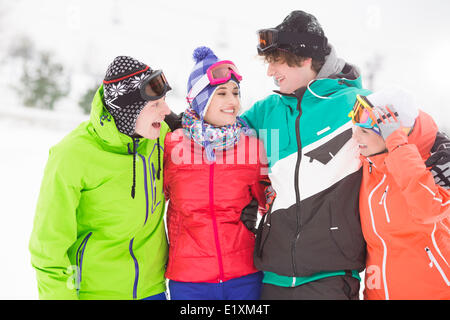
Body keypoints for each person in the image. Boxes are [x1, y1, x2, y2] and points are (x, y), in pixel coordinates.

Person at [240, 10, 370, 300]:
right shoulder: (266, 110)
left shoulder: (354, 105)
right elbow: (217, 133)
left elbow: (413, 133)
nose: (270, 72)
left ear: (306, 58)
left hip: (330, 276)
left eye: (276, 62)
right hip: (272, 274)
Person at [29, 56, 172, 300]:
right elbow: (48, 245)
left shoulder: (159, 136)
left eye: (164, 101)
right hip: (96, 293)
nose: (167, 111)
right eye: (155, 105)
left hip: (153, 290)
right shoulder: (72, 155)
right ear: (127, 111)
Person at [163, 46, 269, 300]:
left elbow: (271, 202)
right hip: (189, 280)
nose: (232, 101)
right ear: (201, 99)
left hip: (244, 276)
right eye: (221, 93)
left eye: (235, 92)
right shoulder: (171, 146)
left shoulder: (252, 147)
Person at [350, 87, 450, 299]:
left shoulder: (438, 166)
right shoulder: (368, 165)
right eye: (356, 127)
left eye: (365, 131)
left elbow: (428, 209)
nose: (355, 135)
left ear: (396, 135)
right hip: (378, 293)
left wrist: (397, 147)